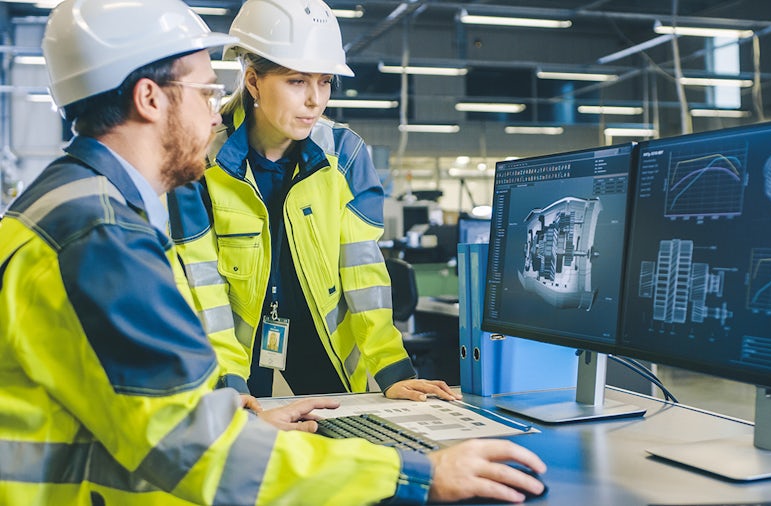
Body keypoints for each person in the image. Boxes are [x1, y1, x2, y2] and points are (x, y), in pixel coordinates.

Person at [0, 0, 546, 504]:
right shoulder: (99, 238)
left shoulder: (71, 207)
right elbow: (198, 449)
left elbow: (157, 415)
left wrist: (237, 416)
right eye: (207, 93)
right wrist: (414, 475)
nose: (217, 115)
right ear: (149, 98)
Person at [168, 0, 457, 401]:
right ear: (252, 81)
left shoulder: (346, 155)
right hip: (235, 350)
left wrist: (392, 369)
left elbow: (363, 272)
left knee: (342, 449)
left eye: (324, 82)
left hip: (328, 350)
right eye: (297, 82)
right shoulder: (201, 163)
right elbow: (203, 284)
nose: (315, 100)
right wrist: (228, 384)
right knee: (246, 452)